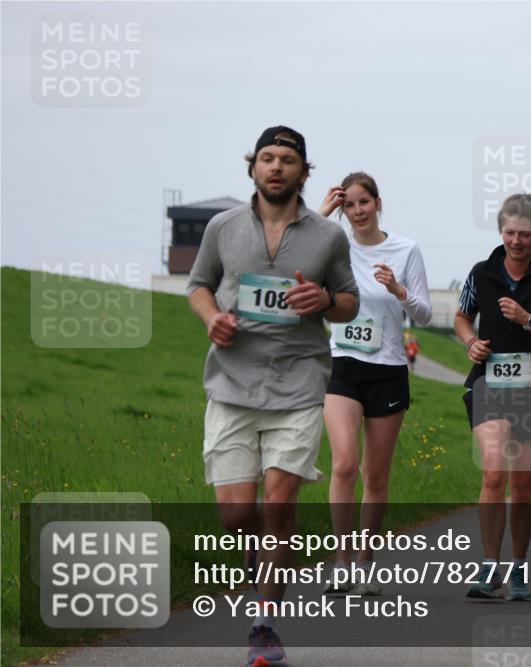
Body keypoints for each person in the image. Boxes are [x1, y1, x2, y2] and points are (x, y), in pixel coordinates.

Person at [186, 126, 360, 666]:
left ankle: (265, 624)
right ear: (253, 168)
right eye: (268, 158)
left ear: (304, 171)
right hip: (233, 383)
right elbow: (198, 284)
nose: (277, 166)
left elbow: (349, 303)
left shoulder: (327, 237)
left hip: (299, 380)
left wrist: (325, 298)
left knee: (280, 500)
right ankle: (264, 569)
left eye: (288, 159)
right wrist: (213, 318)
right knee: (237, 517)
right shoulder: (222, 227)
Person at [316, 172, 432, 595]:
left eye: (364, 202)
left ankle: (365, 562)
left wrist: (399, 289)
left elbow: (423, 314)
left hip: (387, 369)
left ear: (378, 203)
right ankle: (342, 561)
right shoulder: (334, 244)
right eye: (350, 205)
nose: (358, 211)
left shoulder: (405, 249)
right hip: (342, 365)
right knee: (344, 463)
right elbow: (294, 254)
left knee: (375, 476)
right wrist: (322, 214)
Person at [454, 192, 531, 602]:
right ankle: (491, 568)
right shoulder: (481, 272)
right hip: (489, 384)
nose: (516, 241)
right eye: (509, 232)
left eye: (524, 234)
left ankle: (519, 566)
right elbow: (461, 316)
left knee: (522, 487)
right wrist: (470, 343)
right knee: (492, 474)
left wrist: (528, 320)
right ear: (500, 230)